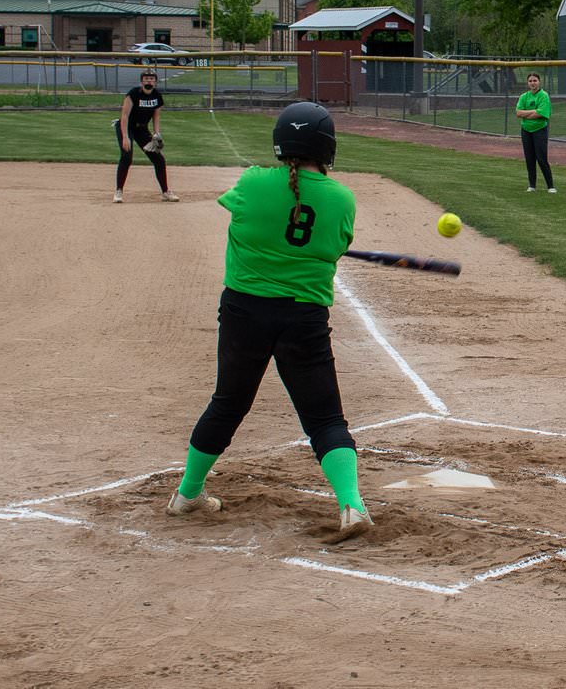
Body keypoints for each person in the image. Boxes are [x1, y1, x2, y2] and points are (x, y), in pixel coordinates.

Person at [165, 102, 373, 542]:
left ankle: (187, 495)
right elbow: (335, 246)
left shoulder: (253, 181)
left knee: (228, 403)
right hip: (304, 316)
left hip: (244, 311)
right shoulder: (341, 199)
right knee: (325, 419)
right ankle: (352, 505)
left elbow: (240, 210)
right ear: (327, 148)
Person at [113, 69, 178, 203]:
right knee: (126, 157)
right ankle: (118, 191)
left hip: (141, 129)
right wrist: (125, 137)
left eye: (152, 78)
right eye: (146, 78)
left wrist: (156, 133)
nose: (149, 81)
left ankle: (165, 192)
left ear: (155, 81)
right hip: (126, 128)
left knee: (159, 159)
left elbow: (156, 116)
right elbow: (124, 115)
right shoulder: (134, 94)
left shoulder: (157, 96)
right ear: (142, 81)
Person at [515, 72, 556, 193]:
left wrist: (526, 113)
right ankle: (532, 185)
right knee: (529, 158)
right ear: (528, 83)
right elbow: (518, 113)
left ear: (539, 82)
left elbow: (541, 113)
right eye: (530, 81)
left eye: (535, 81)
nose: (533, 83)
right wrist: (533, 112)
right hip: (526, 130)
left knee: (541, 158)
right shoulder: (524, 97)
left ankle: (550, 186)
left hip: (540, 130)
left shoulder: (544, 96)